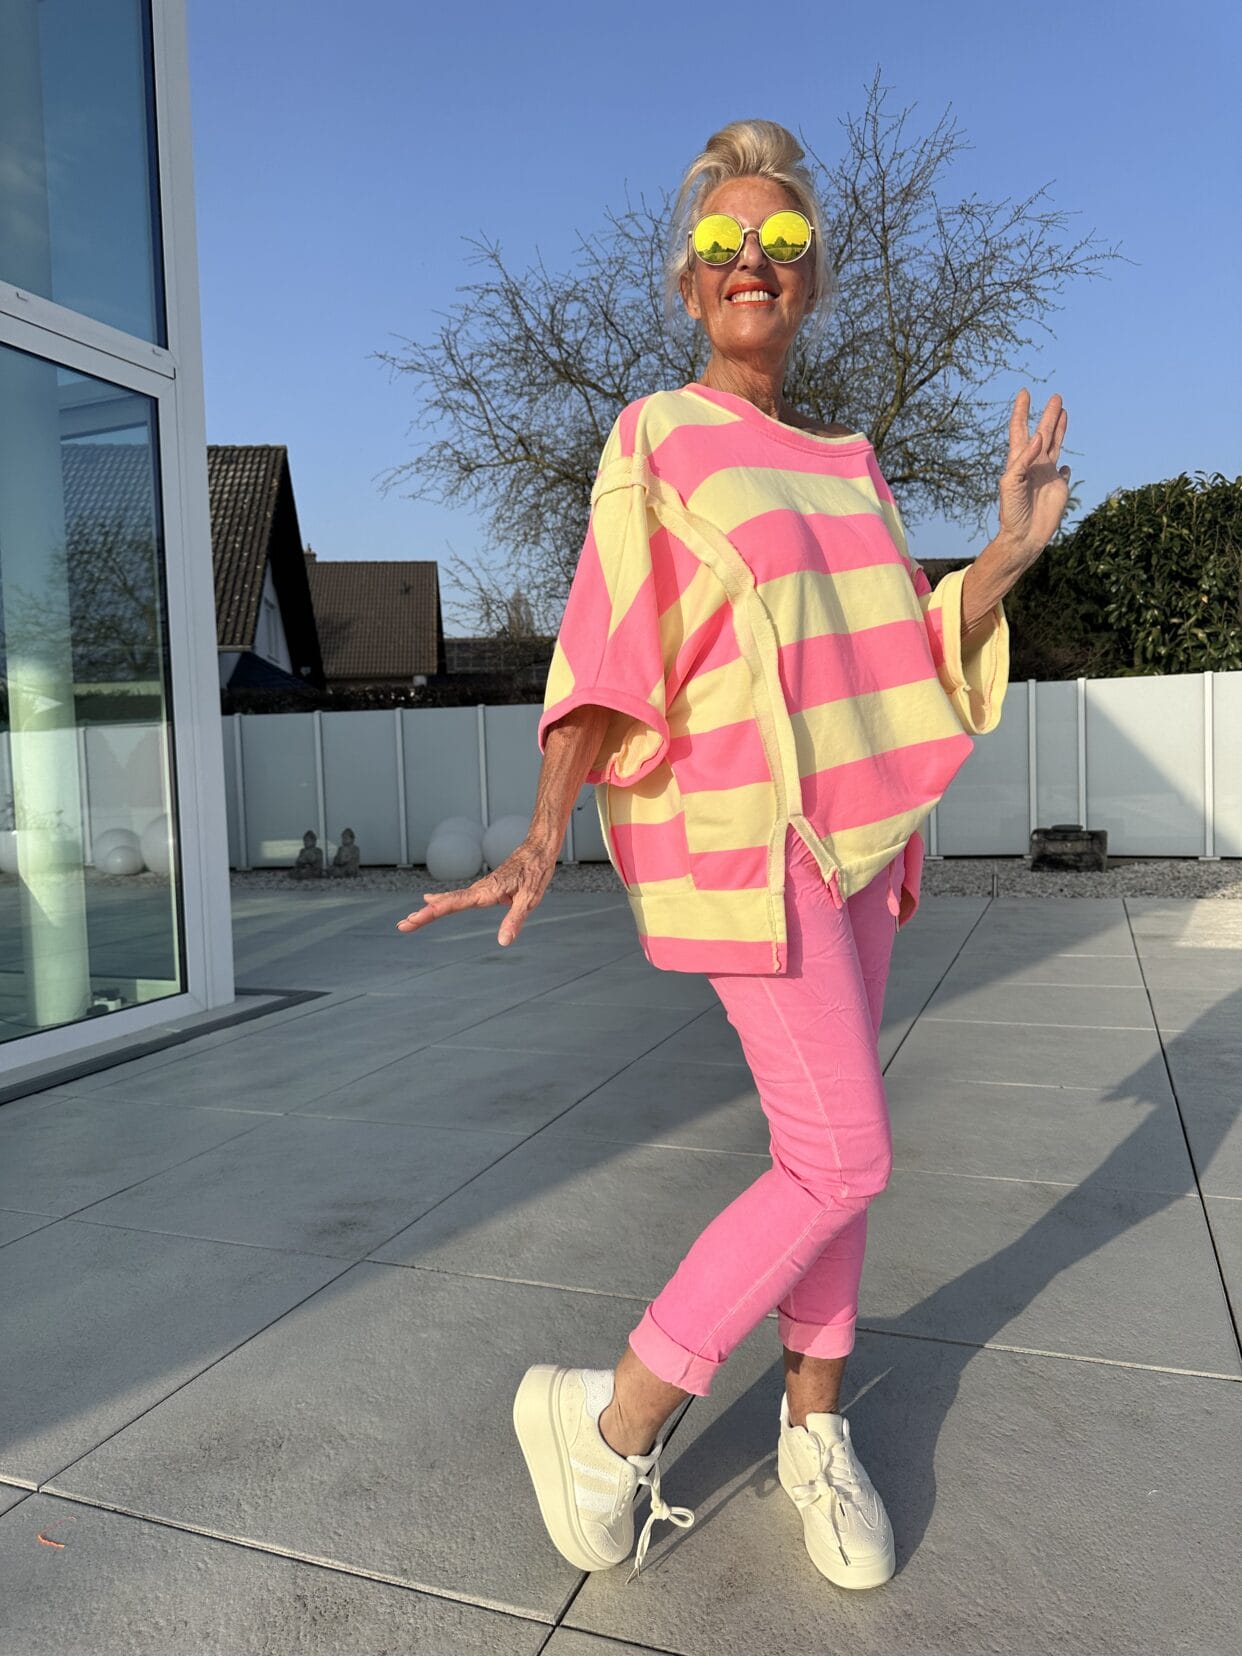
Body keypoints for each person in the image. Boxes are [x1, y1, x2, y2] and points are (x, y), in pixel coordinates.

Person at [397, 118, 1070, 1590]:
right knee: (843, 1154)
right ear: (688, 284)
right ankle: (614, 1417)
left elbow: (897, 653)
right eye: (721, 244)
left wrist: (1006, 555)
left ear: (811, 280)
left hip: (860, 842)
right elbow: (608, 643)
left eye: (779, 242)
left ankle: (814, 1431)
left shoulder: (850, 465)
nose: (750, 260)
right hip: (751, 843)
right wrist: (543, 828)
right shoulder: (657, 439)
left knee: (830, 1158)